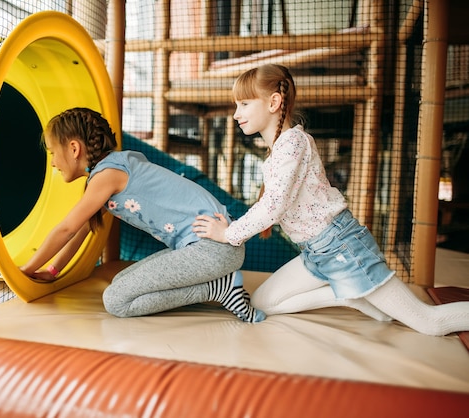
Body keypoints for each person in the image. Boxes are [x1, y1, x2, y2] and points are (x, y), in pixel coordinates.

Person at [193, 64, 469, 336]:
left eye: (243, 104)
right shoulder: (280, 148)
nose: (236, 114)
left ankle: (354, 290)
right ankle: (347, 295)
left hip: (342, 247)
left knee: (429, 323)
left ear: (274, 102)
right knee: (265, 302)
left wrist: (229, 234)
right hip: (317, 252)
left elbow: (272, 206)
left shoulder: (293, 143)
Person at [19, 107, 264, 323]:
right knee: (121, 283)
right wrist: (52, 271)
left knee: (116, 301)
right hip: (208, 247)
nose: (52, 162)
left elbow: (67, 229)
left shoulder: (108, 175)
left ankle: (217, 289)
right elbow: (81, 232)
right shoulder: (114, 167)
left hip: (213, 248)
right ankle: (219, 286)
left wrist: (26, 270)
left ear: (74, 148)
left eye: (52, 153)